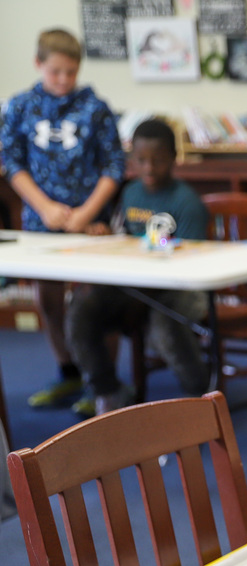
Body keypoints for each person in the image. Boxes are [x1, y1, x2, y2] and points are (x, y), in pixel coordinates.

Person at [0, 28, 124, 411]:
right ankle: (68, 373)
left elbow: (114, 165)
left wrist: (85, 213)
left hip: (91, 223)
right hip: (42, 223)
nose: (64, 80)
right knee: (50, 301)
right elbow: (11, 162)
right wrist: (45, 208)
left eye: (71, 72)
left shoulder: (95, 108)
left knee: (95, 301)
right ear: (39, 64)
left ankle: (102, 380)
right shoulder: (20, 106)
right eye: (56, 72)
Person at [65, 118, 210, 415]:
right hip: (137, 285)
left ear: (173, 159)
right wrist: (106, 236)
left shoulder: (187, 202)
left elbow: (196, 260)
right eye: (141, 160)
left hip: (177, 288)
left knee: (165, 323)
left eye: (157, 161)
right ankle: (109, 390)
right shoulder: (130, 193)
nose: (149, 168)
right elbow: (129, 240)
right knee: (82, 307)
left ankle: (201, 397)